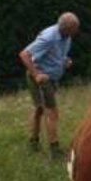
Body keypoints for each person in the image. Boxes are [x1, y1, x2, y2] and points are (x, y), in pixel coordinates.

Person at [19, 11, 79, 160]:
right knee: (51, 111)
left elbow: (57, 54)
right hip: (42, 79)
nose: (76, 32)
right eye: (74, 28)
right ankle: (55, 150)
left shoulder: (66, 36)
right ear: (65, 28)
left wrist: (64, 61)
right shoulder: (49, 37)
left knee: (39, 109)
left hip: (52, 78)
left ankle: (33, 142)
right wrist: (37, 75)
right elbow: (24, 54)